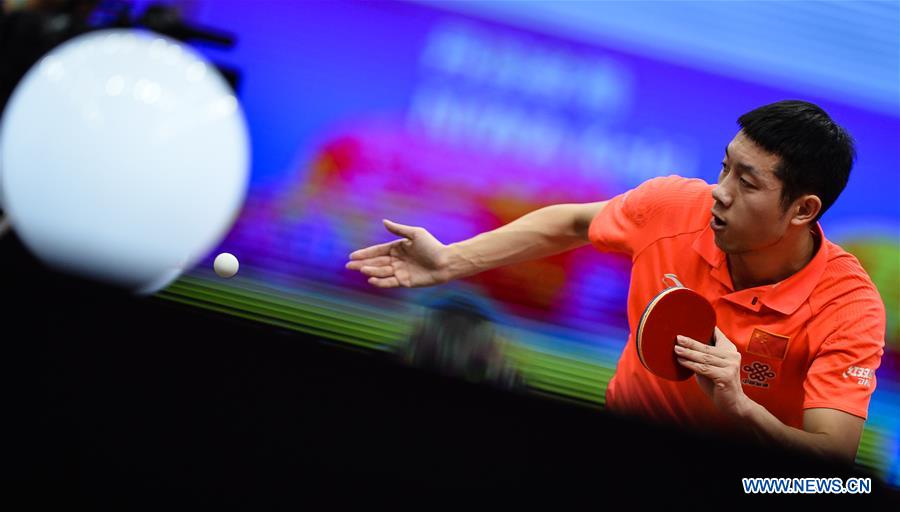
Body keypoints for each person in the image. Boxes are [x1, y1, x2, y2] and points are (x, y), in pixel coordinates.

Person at [345, 100, 886, 464]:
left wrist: (742, 408)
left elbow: (833, 469)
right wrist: (447, 262)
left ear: (803, 209)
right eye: (725, 168)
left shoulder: (847, 306)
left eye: (746, 183)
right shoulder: (674, 208)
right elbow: (571, 223)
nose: (720, 192)